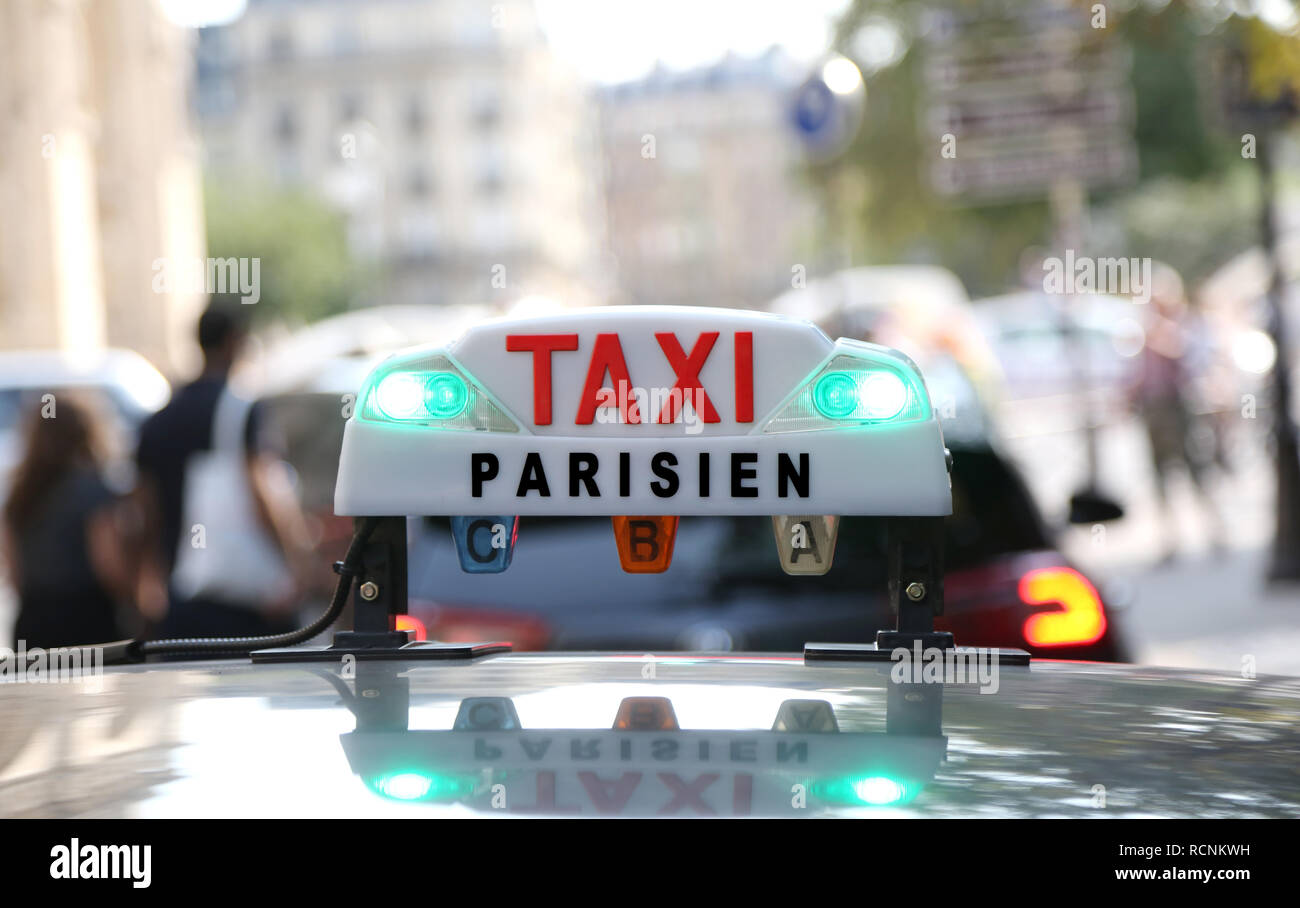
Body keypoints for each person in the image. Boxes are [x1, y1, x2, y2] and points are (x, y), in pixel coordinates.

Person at [135, 301, 315, 638]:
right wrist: (299, 561)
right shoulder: (241, 411)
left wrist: (148, 581)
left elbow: (146, 511)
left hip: (179, 595)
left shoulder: (158, 421)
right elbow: (263, 493)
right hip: (243, 596)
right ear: (235, 341)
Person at [1, 395, 139, 648]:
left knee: (40, 687)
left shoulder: (20, 496)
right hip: (88, 620)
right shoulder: (93, 489)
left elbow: (13, 574)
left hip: (34, 621)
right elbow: (109, 564)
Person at [1131, 267, 1226, 561]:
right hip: (1154, 408)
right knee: (1159, 475)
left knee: (1196, 470)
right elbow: (1136, 373)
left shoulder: (1185, 326)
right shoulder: (1142, 330)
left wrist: (1160, 335)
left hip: (1179, 406)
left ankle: (1216, 533)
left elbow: (1191, 359)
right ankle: (1169, 541)